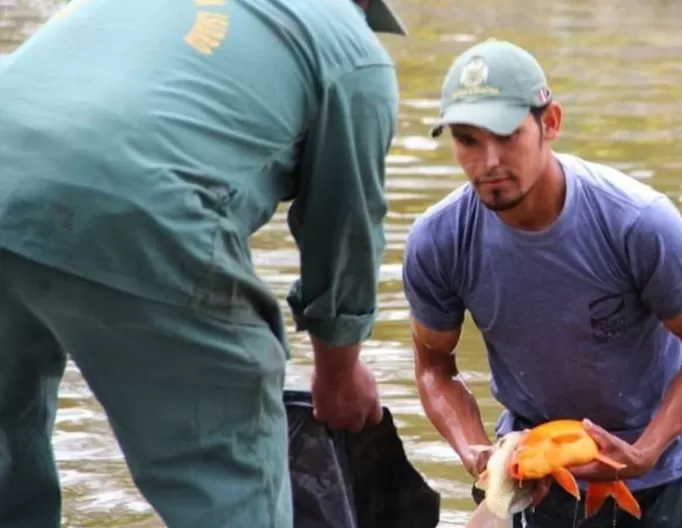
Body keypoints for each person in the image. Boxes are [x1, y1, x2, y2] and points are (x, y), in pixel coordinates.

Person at [0, 0, 405, 526]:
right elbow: (345, 227)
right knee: (228, 478)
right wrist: (339, 372)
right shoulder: (353, 51)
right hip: (138, 200)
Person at [403, 39, 682, 528]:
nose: (489, 161)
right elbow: (434, 369)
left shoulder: (638, 223)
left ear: (550, 123)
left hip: (660, 478)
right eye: (468, 140)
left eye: (507, 135)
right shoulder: (438, 239)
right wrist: (476, 452)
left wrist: (642, 452)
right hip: (534, 479)